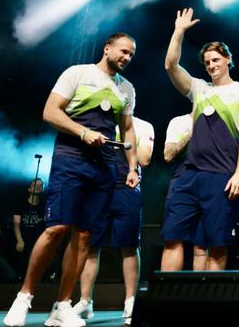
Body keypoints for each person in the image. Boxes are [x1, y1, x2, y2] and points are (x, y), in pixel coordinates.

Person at [5, 33, 139, 327]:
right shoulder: (77, 73)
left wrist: (133, 167)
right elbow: (50, 112)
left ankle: (62, 306)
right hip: (71, 157)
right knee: (57, 228)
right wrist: (82, 132)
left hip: (104, 166)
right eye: (123, 51)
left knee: (84, 236)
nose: (127, 57)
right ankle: (24, 297)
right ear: (107, 48)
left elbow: (127, 129)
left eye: (131, 54)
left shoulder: (127, 88)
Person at [160, 9, 239, 272]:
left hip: (221, 176)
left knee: (217, 244)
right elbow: (170, 66)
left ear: (228, 60)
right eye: (207, 62)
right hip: (189, 175)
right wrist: (179, 31)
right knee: (172, 238)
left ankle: (211, 296)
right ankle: (166, 294)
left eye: (215, 60)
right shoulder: (199, 88)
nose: (211, 65)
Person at [72, 116, 154, 324]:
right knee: (91, 245)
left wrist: (125, 137)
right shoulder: (100, 122)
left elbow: (144, 159)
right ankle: (85, 301)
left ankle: (130, 301)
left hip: (126, 188)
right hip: (98, 188)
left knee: (129, 246)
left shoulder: (143, 126)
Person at [162, 113, 208, 272]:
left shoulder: (221, 121)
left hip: (210, 182)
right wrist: (193, 132)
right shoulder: (178, 122)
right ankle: (169, 287)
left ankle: (202, 287)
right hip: (182, 182)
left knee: (202, 244)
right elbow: (168, 155)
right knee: (173, 238)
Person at [10, 179, 47, 281]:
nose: (38, 187)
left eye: (41, 185)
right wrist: (19, 240)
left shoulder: (45, 206)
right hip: (22, 237)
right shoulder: (20, 203)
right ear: (29, 189)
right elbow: (16, 223)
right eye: (35, 185)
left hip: (36, 240)